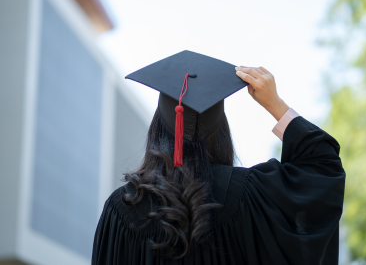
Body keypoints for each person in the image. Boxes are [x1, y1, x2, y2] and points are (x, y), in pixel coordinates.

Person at [92, 51, 346, 265]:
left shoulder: (122, 208)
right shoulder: (254, 196)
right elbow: (323, 166)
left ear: (159, 129)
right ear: (221, 131)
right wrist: (276, 105)